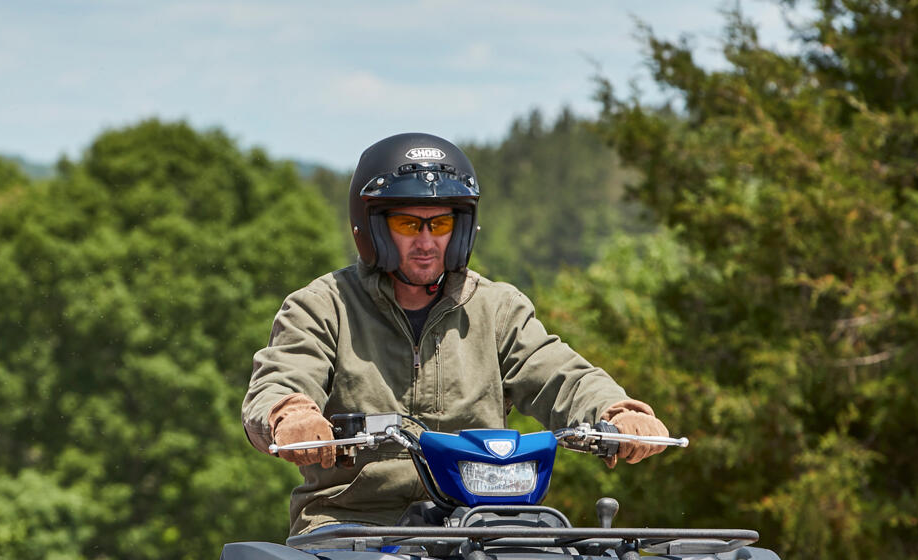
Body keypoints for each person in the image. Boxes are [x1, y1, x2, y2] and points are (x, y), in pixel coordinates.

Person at [243, 132, 669, 534]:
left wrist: (615, 410)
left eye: (441, 225)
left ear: (462, 229)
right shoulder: (323, 306)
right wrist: (292, 415)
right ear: (372, 228)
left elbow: (558, 373)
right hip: (353, 524)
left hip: (481, 524)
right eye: (408, 225)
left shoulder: (497, 309)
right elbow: (281, 377)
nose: (427, 242)